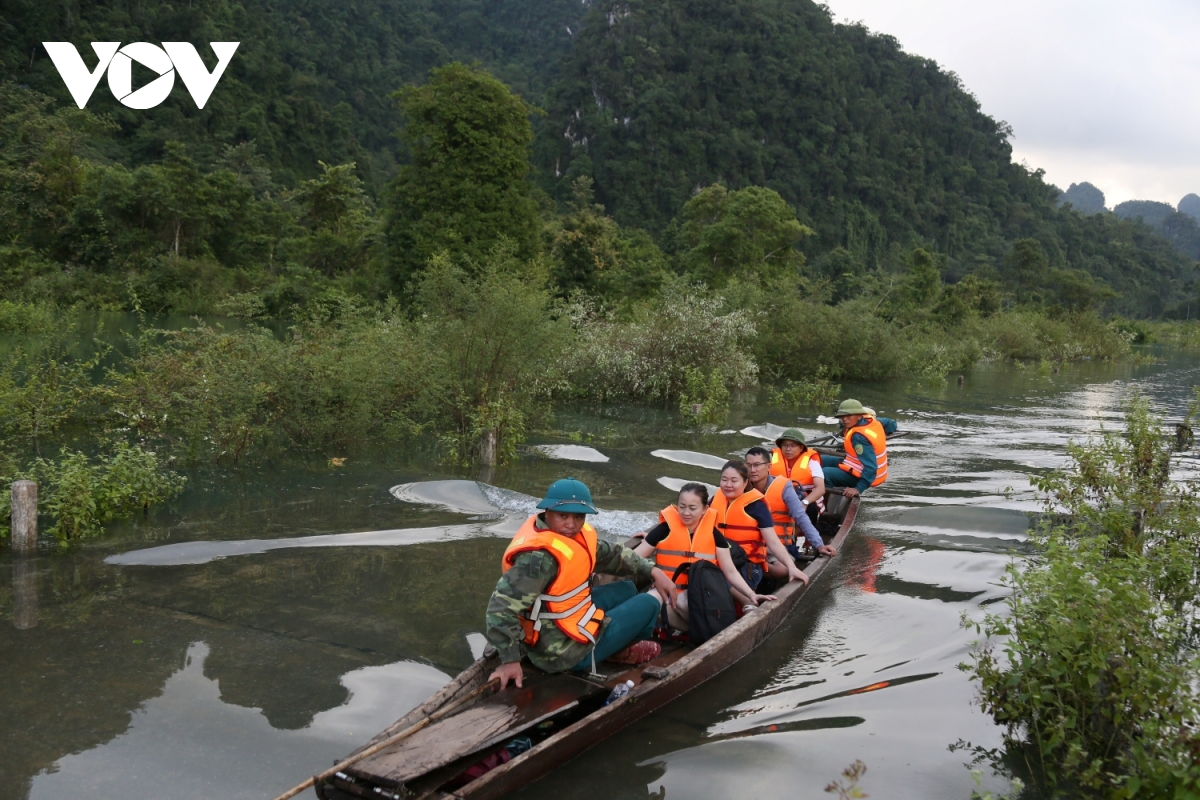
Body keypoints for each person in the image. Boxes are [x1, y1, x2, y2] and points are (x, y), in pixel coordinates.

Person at [485, 478, 679, 689]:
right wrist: (510, 661)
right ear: (547, 512)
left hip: (562, 620)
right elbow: (499, 608)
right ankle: (618, 651)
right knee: (649, 604)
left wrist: (653, 570)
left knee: (627, 588)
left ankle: (614, 645)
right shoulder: (539, 559)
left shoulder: (574, 536)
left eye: (578, 517)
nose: (571, 524)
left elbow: (612, 555)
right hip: (560, 653)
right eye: (563, 515)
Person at [632, 483, 777, 624]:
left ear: (704, 509)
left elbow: (730, 571)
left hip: (697, 596)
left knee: (682, 602)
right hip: (665, 591)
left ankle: (694, 632)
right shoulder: (664, 529)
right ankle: (680, 630)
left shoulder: (714, 536)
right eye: (682, 507)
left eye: (692, 508)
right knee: (647, 602)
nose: (686, 512)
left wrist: (751, 594)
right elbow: (635, 558)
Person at [712, 460, 809, 590]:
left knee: (717, 581)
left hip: (746, 565)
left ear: (745, 482)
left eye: (734, 481)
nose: (728, 485)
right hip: (718, 559)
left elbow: (773, 541)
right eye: (724, 480)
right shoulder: (714, 500)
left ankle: (747, 601)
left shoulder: (757, 506)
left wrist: (791, 567)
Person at [745, 446, 837, 559]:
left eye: (757, 465)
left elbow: (801, 517)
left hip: (778, 547)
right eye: (749, 466)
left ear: (769, 466)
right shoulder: (741, 486)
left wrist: (819, 545)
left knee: (781, 570)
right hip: (747, 546)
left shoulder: (784, 487)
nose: (752, 470)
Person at [820, 399, 897, 498]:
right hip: (855, 465)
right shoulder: (872, 420)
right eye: (842, 416)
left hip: (864, 475)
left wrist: (858, 488)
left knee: (825, 474)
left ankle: (824, 503)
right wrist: (892, 428)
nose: (845, 419)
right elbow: (889, 423)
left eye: (849, 416)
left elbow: (871, 467)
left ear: (860, 415)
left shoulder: (858, 438)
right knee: (818, 459)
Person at [768, 428, 826, 528]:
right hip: (780, 496)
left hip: (805, 497)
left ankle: (807, 539)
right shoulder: (771, 459)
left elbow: (820, 489)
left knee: (811, 509)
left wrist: (805, 502)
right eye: (785, 445)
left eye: (792, 445)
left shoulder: (811, 461)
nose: (788, 449)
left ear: (801, 447)